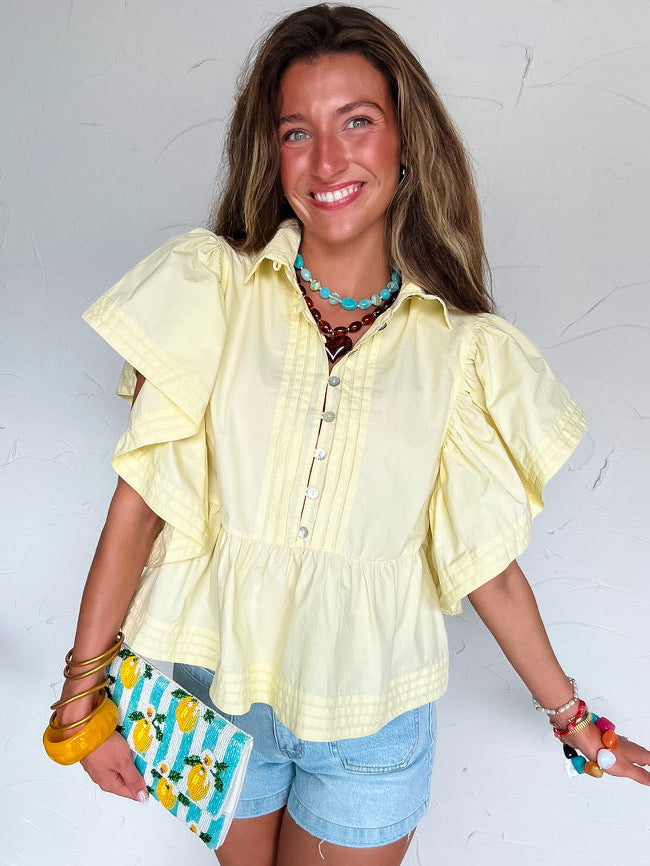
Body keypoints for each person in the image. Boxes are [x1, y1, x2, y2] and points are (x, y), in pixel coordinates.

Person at [46, 4, 650, 866]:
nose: (328, 160)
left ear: (407, 145)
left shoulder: (463, 353)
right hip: (224, 700)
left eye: (356, 122)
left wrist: (576, 721)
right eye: (298, 132)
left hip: (373, 727)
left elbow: (487, 567)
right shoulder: (211, 292)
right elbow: (137, 508)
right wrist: (80, 706)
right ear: (274, 153)